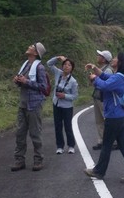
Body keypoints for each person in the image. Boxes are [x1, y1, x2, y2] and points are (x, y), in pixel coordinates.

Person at [83, 52, 124, 183]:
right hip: (123, 116)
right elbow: (105, 76)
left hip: (114, 117)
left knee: (106, 145)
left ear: (119, 63)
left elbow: (104, 85)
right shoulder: (121, 77)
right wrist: (94, 68)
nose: (113, 59)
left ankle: (98, 171)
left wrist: (93, 78)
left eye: (116, 58)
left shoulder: (118, 78)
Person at [11, 42, 47, 172]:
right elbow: (24, 83)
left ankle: (38, 160)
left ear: (36, 53)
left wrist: (26, 81)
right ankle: (19, 160)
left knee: (35, 134)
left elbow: (43, 87)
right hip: (23, 104)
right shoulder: (26, 65)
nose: (29, 47)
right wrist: (18, 81)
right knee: (20, 134)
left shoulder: (40, 68)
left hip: (34, 105)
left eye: (32, 46)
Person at [47, 55, 78, 154]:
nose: (66, 66)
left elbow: (74, 96)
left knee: (68, 126)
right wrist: (57, 58)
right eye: (65, 64)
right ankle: (60, 146)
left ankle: (71, 146)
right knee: (58, 126)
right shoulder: (58, 73)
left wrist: (64, 96)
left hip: (67, 107)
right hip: (56, 104)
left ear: (72, 68)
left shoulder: (73, 81)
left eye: (69, 65)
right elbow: (49, 64)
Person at [91, 50, 114, 150]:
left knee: (106, 120)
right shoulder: (102, 69)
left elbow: (106, 85)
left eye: (99, 55)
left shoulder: (108, 70)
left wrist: (95, 79)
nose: (97, 56)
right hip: (98, 96)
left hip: (103, 98)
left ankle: (112, 141)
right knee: (99, 120)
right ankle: (101, 141)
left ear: (104, 59)